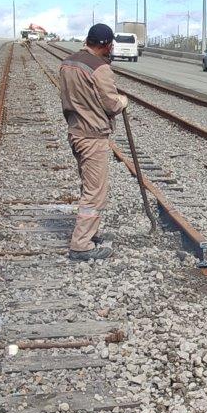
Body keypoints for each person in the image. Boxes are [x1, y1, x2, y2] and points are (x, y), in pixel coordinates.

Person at [57, 24, 128, 262]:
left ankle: (89, 233)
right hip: (93, 136)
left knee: (88, 186)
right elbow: (111, 105)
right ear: (105, 44)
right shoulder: (100, 69)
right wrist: (122, 101)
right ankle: (81, 245)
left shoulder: (68, 62)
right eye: (111, 44)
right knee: (95, 193)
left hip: (75, 132)